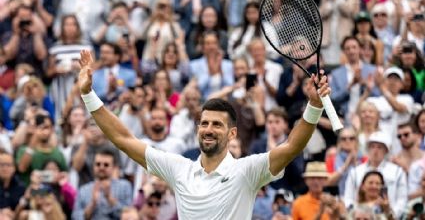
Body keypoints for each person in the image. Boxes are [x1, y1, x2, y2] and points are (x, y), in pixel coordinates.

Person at [77, 47, 331, 219]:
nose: (208, 129)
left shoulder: (247, 171)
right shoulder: (179, 169)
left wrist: (314, 106)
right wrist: (88, 94)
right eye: (205, 123)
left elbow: (291, 147)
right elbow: (123, 138)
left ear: (232, 134)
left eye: (217, 125)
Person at [344, 131, 407, 218]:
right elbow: (348, 198)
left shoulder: (397, 171)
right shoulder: (355, 172)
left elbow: (402, 199)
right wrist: (357, 213)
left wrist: (391, 215)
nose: (375, 150)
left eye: (379, 147)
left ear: (386, 150)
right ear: (368, 149)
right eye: (372, 147)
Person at [72, 147, 132, 220]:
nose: (101, 167)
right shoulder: (83, 189)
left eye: (106, 165)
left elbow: (130, 214)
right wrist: (93, 204)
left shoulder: (124, 186)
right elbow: (75, 216)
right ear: (93, 166)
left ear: (113, 167)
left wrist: (110, 199)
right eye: (98, 164)